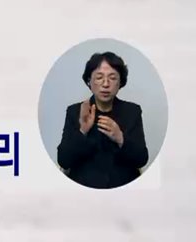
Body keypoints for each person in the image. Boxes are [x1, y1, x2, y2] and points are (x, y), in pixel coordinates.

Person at [56, 51, 149, 189]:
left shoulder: (132, 111)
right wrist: (82, 131)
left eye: (112, 78)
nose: (106, 84)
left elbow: (141, 159)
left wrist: (120, 138)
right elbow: (64, 160)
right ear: (89, 81)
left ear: (120, 83)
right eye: (99, 77)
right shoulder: (75, 111)